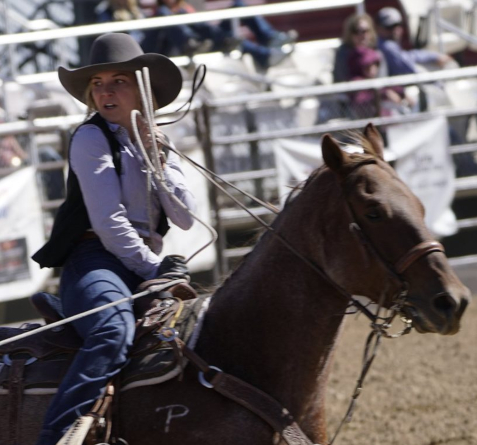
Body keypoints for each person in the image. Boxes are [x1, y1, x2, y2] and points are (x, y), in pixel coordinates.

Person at [31, 33, 197, 445]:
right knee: (113, 330)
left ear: (141, 89)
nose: (105, 91)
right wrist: (154, 270)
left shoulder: (158, 141)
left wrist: (159, 160)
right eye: (98, 83)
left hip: (136, 265)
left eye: (117, 81)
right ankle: (54, 437)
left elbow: (186, 215)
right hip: (95, 261)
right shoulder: (90, 138)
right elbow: (108, 223)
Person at [155, 0, 296, 69]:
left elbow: (204, 28)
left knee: (238, 5)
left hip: (208, 40)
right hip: (190, 48)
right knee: (231, 40)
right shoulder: (162, 13)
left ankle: (270, 38)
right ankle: (263, 56)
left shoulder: (186, 6)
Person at [376, 7, 453, 77]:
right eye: (390, 27)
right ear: (379, 28)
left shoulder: (387, 44)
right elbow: (408, 67)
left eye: (398, 25)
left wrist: (433, 56)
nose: (395, 30)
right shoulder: (387, 46)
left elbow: (409, 56)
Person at [347, 46, 409, 118]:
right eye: (367, 66)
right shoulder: (357, 82)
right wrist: (384, 94)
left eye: (375, 64)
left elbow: (392, 88)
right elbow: (361, 100)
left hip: (388, 121)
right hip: (369, 122)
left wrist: (403, 94)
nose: (372, 68)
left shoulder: (378, 79)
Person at [333, 13, 377, 83]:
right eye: (356, 31)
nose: (361, 35)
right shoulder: (343, 53)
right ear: (349, 34)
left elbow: (382, 81)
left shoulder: (376, 53)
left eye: (365, 31)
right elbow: (341, 79)